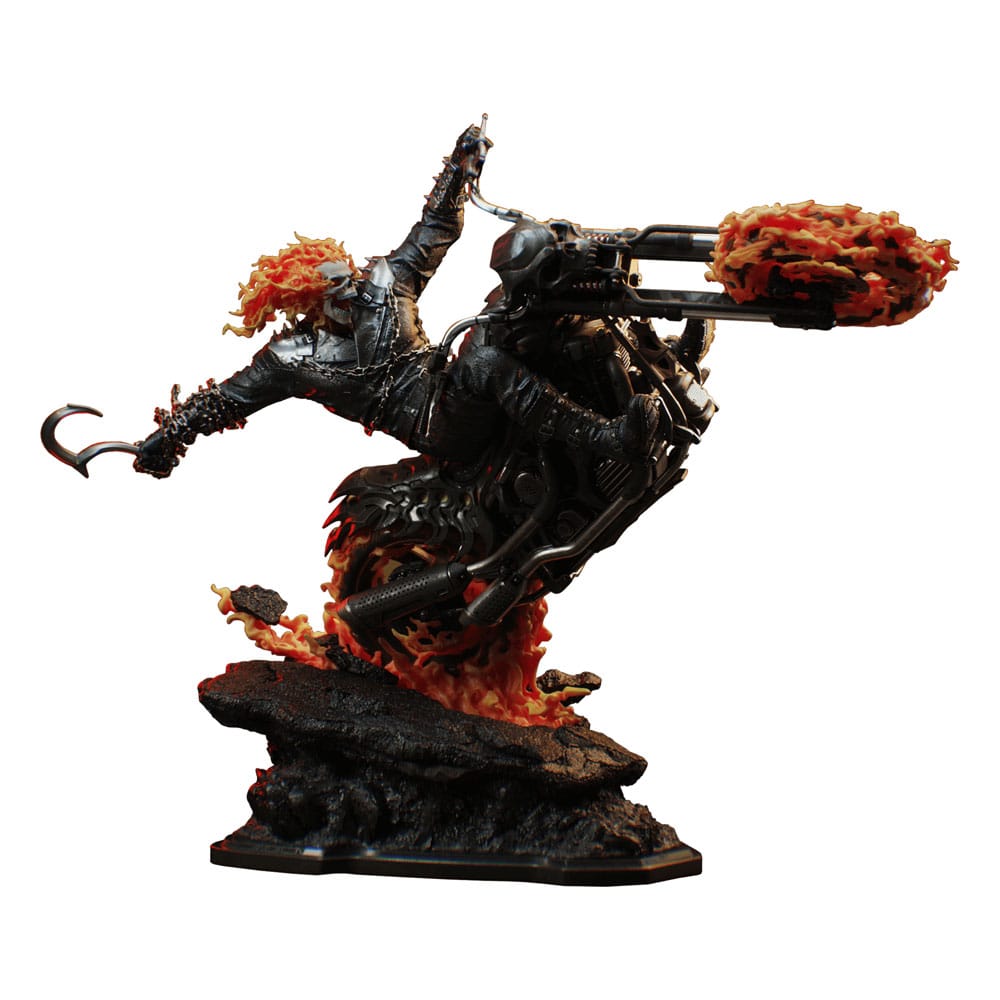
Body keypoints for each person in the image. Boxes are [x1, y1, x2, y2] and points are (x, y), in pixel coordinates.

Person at [134, 125, 659, 478]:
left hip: (448, 381)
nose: (345, 286)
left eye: (342, 272)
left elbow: (435, 228)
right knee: (484, 357)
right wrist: (169, 436)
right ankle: (609, 439)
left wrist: (459, 169)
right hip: (437, 425)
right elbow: (227, 399)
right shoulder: (288, 361)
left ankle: (647, 347)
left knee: (513, 304)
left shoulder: (384, 284)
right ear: (305, 303)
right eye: (327, 289)